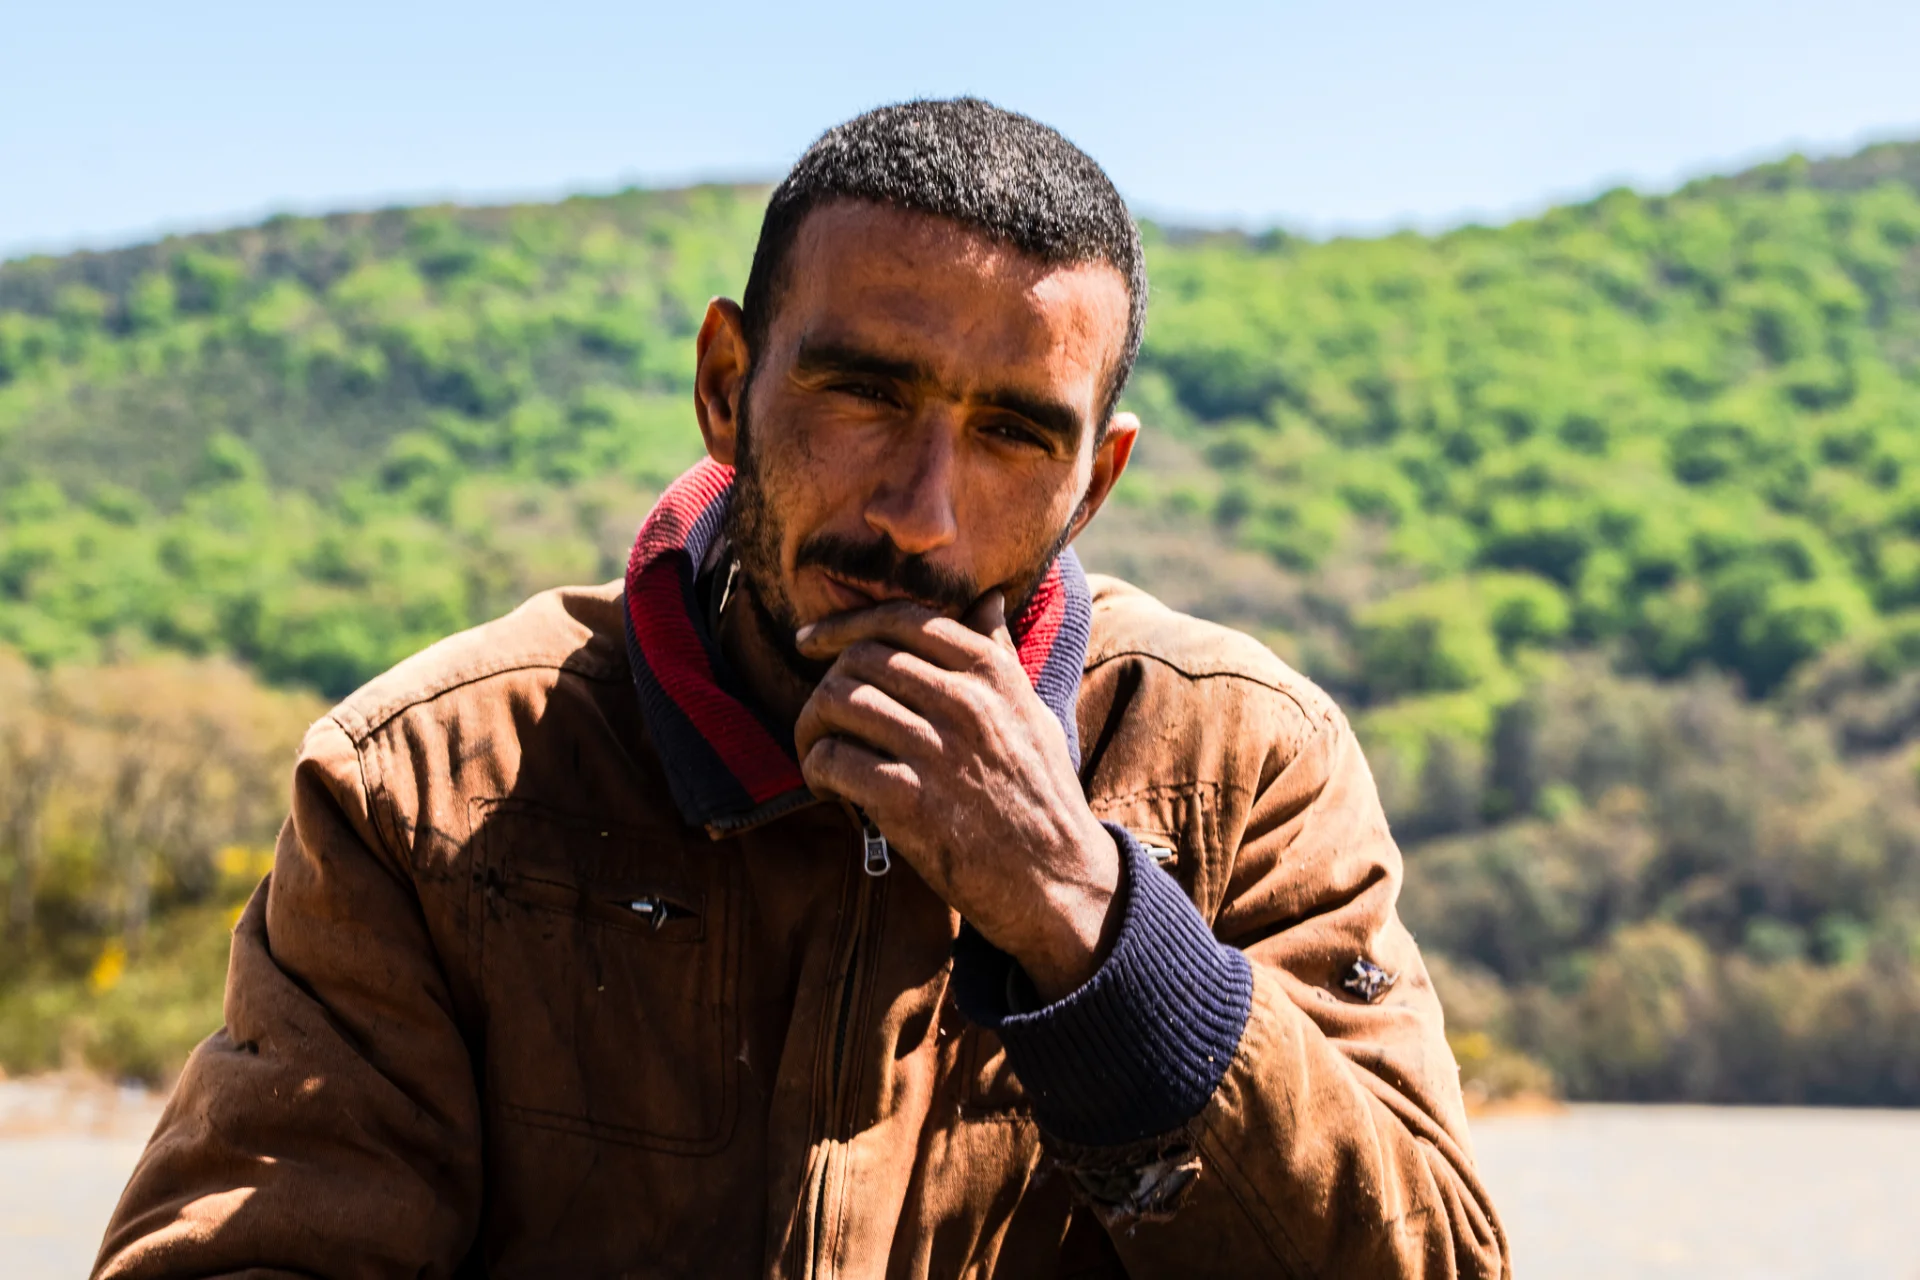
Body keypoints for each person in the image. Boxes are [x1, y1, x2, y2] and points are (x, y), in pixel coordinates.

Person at [95, 98, 1507, 1279]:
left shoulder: (1241, 764)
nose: (919, 514)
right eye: (864, 395)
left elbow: (1438, 1260)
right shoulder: (433, 778)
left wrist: (1087, 917)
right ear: (726, 384)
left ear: (1096, 482)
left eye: (1014, 436)